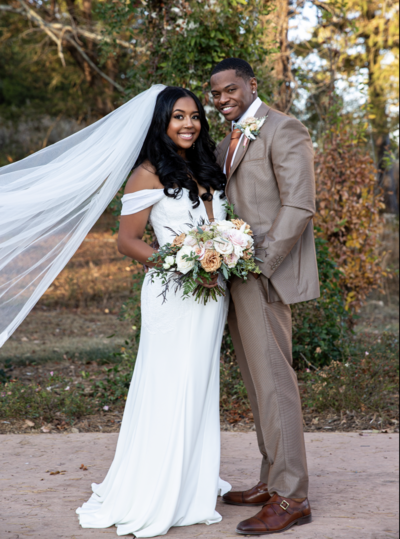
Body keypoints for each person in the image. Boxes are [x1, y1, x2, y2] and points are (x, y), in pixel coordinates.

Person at [76, 86, 232, 536]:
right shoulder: (146, 173)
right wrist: (182, 264)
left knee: (200, 384)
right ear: (161, 122)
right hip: (174, 293)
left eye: (195, 116)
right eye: (178, 116)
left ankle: (192, 480)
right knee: (170, 383)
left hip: (212, 293)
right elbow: (128, 241)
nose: (189, 124)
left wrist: (223, 254)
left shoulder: (206, 166)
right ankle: (157, 487)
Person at [210, 58, 320, 535]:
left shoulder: (283, 128)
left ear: (251, 85)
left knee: (276, 383)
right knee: (258, 386)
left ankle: (293, 496)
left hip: (264, 275)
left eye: (230, 89)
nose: (221, 98)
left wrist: (261, 263)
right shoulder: (224, 142)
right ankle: (269, 478)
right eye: (215, 93)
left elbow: (299, 204)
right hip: (234, 275)